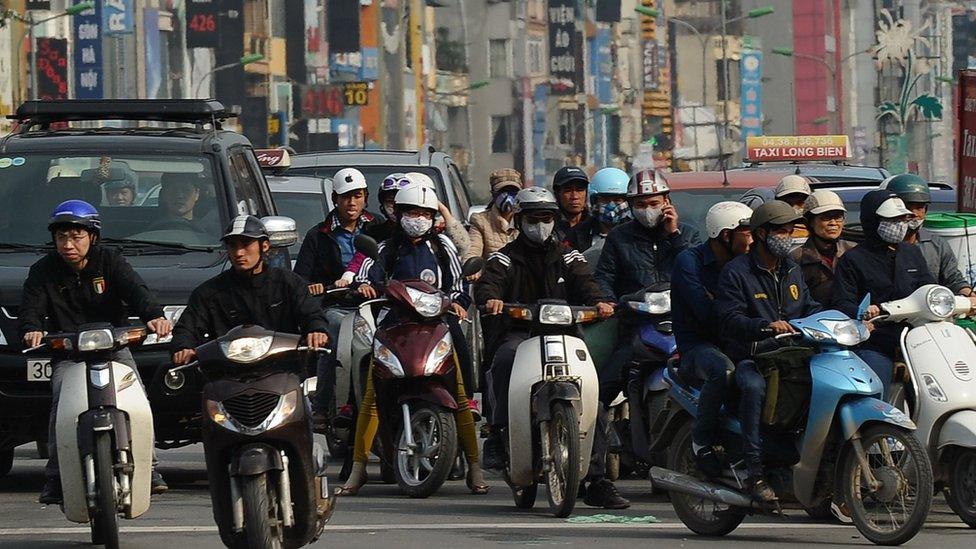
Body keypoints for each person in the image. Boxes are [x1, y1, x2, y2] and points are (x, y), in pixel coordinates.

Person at [336, 182, 487, 496]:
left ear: (433, 217)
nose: (417, 218)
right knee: (371, 398)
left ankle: (475, 466)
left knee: (460, 396)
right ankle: (359, 469)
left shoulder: (442, 246)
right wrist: (366, 287)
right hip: (396, 326)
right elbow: (369, 276)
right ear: (399, 214)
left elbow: (459, 282)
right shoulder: (387, 248)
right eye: (410, 212)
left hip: (437, 324)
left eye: (423, 213)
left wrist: (458, 300)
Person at [19, 200, 173, 504]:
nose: (68, 244)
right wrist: (31, 328)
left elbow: (137, 291)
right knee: (60, 405)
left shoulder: (111, 262)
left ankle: (150, 468)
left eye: (76, 236)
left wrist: (154, 316)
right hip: (69, 355)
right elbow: (31, 309)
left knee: (138, 399)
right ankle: (55, 476)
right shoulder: (43, 271)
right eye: (62, 237)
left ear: (93, 237)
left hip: (115, 349)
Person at [474, 187, 618, 506]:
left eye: (547, 219)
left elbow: (587, 283)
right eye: (534, 219)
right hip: (520, 333)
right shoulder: (504, 258)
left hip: (565, 334)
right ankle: (498, 431)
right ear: (521, 220)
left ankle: (597, 478)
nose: (541, 225)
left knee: (594, 396)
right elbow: (487, 286)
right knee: (504, 360)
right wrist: (491, 300)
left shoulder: (568, 256)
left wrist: (600, 303)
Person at [715, 200, 823, 503]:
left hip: (791, 355)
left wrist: (835, 318)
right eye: (782, 231)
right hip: (751, 355)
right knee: (753, 388)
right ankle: (754, 470)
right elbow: (729, 319)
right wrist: (765, 325)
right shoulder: (737, 272)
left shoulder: (792, 269)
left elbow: (810, 306)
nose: (788, 237)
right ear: (761, 234)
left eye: (792, 230)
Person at [832, 190, 950, 400]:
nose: (900, 224)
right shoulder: (853, 259)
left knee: (940, 389)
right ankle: (876, 431)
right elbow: (842, 302)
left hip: (917, 339)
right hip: (876, 343)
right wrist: (862, 313)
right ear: (872, 221)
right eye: (892, 219)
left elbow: (929, 290)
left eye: (902, 219)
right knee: (875, 394)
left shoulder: (912, 253)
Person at [170, 214, 329, 365]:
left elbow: (312, 313)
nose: (239, 253)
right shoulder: (209, 292)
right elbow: (186, 327)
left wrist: (317, 330)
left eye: (246, 244)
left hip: (282, 368)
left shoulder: (288, 283)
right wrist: (183, 347)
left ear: (265, 246)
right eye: (233, 245)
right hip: (227, 374)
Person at [293, 167, 380, 428]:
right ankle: (322, 406)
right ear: (335, 199)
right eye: (345, 197)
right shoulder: (318, 235)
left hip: (376, 306)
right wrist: (316, 287)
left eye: (357, 196)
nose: (351, 202)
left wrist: (374, 286)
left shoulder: (381, 228)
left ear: (365, 197)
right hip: (336, 306)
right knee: (334, 334)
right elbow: (300, 281)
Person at [671, 201, 754, 478]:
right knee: (723, 370)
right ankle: (702, 441)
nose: (753, 239)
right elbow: (707, 314)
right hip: (698, 347)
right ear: (726, 235)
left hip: (739, 341)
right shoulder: (689, 262)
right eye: (747, 233)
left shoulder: (746, 265)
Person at [883, 173, 973, 296]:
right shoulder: (878, 246)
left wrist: (969, 295)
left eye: (920, 207)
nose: (914, 213)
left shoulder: (936, 244)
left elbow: (952, 278)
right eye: (907, 207)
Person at [791, 190, 856, 305]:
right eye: (826, 218)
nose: (833, 223)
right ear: (810, 222)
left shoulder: (853, 252)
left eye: (838, 217)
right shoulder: (796, 258)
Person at [565, 167, 631, 254]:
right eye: (605, 199)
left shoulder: (637, 234)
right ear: (594, 201)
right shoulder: (577, 234)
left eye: (617, 200)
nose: (611, 206)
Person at [465, 168, 523, 263]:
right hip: (493, 275)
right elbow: (473, 249)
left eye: (513, 191)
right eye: (503, 191)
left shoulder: (526, 220)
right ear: (493, 194)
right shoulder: (481, 221)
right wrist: (471, 266)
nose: (508, 197)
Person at [552, 166, 591, 243]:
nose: (574, 197)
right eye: (568, 190)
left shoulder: (595, 225)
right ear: (557, 194)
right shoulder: (549, 225)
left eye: (580, 190)